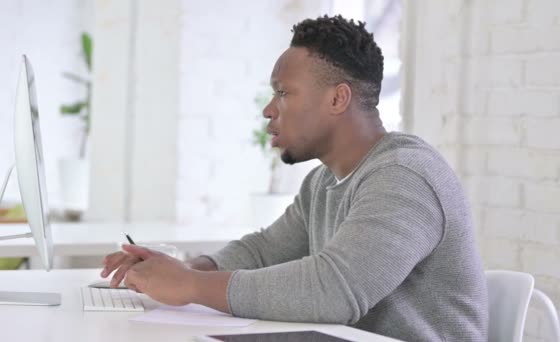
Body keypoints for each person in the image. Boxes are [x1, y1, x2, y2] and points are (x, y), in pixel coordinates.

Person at [100, 15, 488, 341]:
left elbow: (334, 290)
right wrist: (186, 268)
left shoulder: (405, 176)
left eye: (284, 93)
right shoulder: (323, 182)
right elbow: (264, 251)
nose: (269, 109)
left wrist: (189, 287)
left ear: (338, 99)